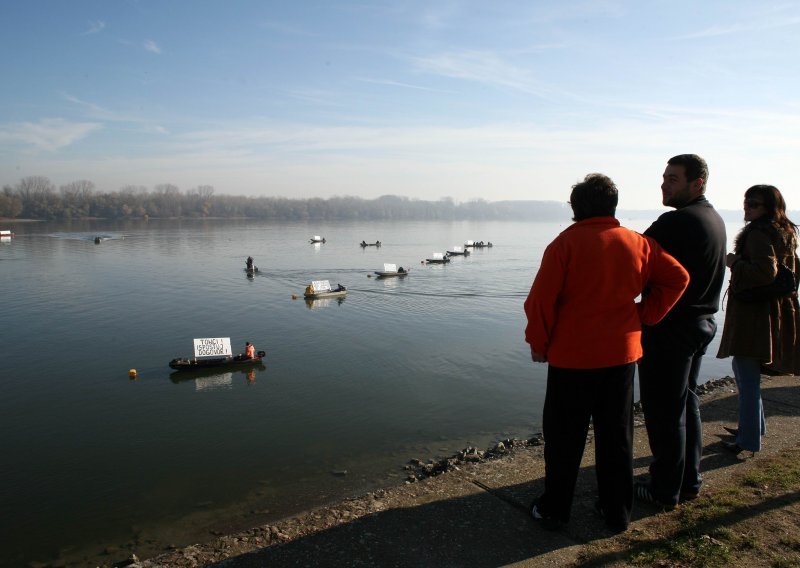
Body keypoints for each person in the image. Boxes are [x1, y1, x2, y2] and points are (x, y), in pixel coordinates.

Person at [524, 173, 689, 532]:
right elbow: (678, 278)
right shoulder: (638, 243)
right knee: (616, 438)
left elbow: (540, 302)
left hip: (572, 359)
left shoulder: (564, 245)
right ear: (613, 205)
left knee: (564, 439)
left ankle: (555, 510)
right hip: (621, 356)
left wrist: (539, 343)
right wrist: (646, 315)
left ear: (575, 208)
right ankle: (617, 513)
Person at [636, 154, 727, 509]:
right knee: (686, 403)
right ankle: (689, 480)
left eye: (673, 179)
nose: (664, 183)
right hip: (701, 324)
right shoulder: (714, 219)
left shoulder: (677, 223)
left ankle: (664, 491)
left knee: (664, 413)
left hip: (672, 330)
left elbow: (632, 260)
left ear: (697, 183)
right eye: (663, 177)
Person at [716, 185, 800, 454]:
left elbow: (765, 272)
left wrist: (734, 262)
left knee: (746, 376)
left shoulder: (757, 234)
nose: (746, 208)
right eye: (746, 202)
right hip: (776, 311)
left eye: (753, 204)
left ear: (769, 208)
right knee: (749, 375)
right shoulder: (786, 233)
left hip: (754, 314)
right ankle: (754, 427)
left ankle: (748, 440)